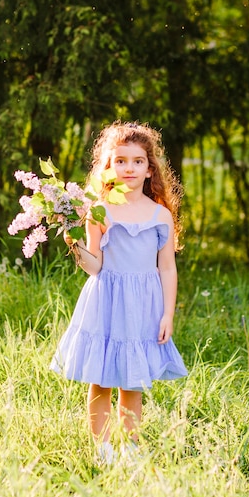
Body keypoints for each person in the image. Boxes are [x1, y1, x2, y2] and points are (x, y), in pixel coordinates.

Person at [51, 121, 188, 463]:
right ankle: (103, 449)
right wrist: (74, 243)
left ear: (148, 169)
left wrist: (168, 313)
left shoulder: (160, 215)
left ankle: (130, 447)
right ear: (108, 166)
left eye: (137, 161)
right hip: (106, 300)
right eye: (121, 160)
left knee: (132, 381)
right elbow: (95, 266)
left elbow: (167, 268)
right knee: (100, 379)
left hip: (143, 304)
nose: (129, 167)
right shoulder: (99, 211)